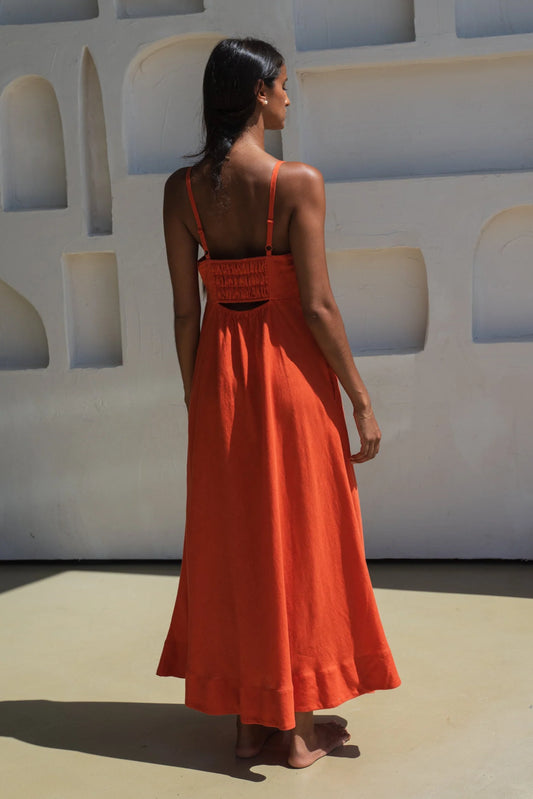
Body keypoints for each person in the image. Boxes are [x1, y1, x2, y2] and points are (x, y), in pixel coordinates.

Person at [156, 37, 401, 769]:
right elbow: (319, 307)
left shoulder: (181, 190)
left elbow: (183, 313)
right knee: (298, 545)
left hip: (218, 388)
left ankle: (246, 724)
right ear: (258, 93)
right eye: (284, 86)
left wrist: (198, 398)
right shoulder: (297, 181)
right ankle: (293, 731)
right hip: (292, 385)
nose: (290, 97)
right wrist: (359, 399)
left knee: (237, 548)